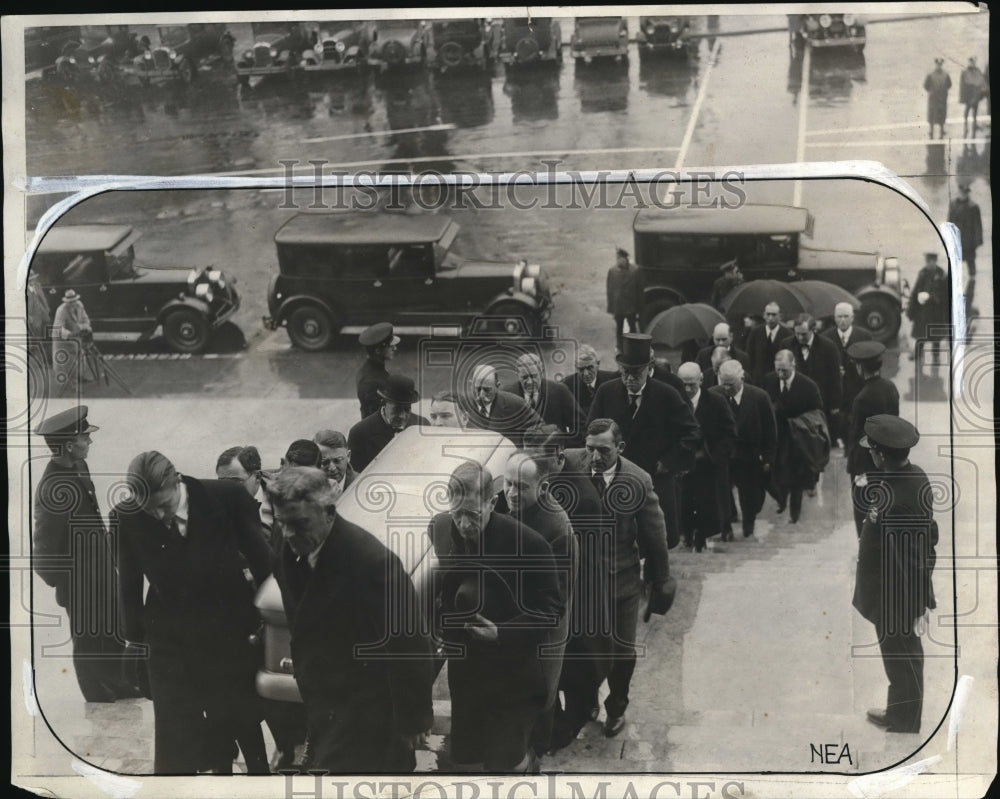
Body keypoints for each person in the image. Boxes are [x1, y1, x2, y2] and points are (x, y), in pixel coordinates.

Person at [112, 451, 272, 774]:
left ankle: (256, 782)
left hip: (228, 629)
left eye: (163, 504)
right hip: (169, 639)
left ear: (177, 481)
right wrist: (133, 643)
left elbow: (264, 563)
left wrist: (273, 623)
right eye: (149, 509)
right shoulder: (126, 516)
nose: (157, 516)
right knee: (174, 735)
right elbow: (128, 586)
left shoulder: (226, 498)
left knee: (237, 719)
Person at [266, 466, 434, 772]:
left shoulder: (372, 563)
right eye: (282, 523)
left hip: (370, 709)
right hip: (323, 701)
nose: (289, 533)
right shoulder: (288, 548)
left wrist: (414, 719)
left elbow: (409, 643)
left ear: (329, 512)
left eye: (299, 523)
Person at [430, 462, 564, 772]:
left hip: (512, 675)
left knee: (506, 763)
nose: (464, 525)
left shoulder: (529, 545)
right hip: (466, 677)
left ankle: (528, 765)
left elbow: (552, 609)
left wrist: (502, 632)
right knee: (467, 758)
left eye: (474, 515)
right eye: (457, 514)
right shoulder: (439, 529)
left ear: (493, 502)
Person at [562, 419, 673, 738]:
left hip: (620, 582)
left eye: (603, 450)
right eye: (590, 448)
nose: (594, 457)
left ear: (620, 448)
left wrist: (661, 580)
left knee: (622, 652)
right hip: (581, 581)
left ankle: (617, 706)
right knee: (583, 646)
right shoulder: (570, 462)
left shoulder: (638, 480)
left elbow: (655, 535)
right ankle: (585, 702)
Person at [33, 406, 139, 703]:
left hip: (100, 570)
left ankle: (119, 682)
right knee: (88, 636)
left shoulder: (78, 466)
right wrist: (65, 584)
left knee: (112, 628)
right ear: (68, 445)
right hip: (79, 580)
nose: (89, 442)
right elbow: (43, 548)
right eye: (84, 438)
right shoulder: (53, 488)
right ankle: (95, 690)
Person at [215, 443, 304, 770]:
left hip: (276, 616)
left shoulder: (277, 504)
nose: (227, 488)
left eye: (235, 481)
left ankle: (288, 747)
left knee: (277, 693)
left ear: (256, 477)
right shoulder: (220, 510)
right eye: (222, 480)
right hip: (242, 621)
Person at [852, 415, 937, 734]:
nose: (871, 454)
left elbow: (906, 555)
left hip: (896, 593)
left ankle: (905, 721)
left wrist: (914, 603)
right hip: (895, 590)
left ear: (881, 454)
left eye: (873, 450)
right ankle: (898, 710)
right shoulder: (912, 477)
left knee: (903, 656)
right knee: (898, 655)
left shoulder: (894, 497)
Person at [587, 334, 701, 550]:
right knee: (617, 538)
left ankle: (655, 579)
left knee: (656, 540)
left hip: (655, 481)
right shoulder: (606, 392)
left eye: (636, 373)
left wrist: (668, 462)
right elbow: (591, 428)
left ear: (648, 368)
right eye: (625, 372)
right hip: (615, 479)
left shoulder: (666, 394)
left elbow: (692, 432)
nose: (629, 379)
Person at [500, 452, 578, 759]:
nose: (511, 493)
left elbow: (554, 598)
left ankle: (538, 753)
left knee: (540, 692)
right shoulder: (511, 505)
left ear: (542, 488)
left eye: (521, 487)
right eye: (507, 483)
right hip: (516, 619)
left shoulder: (556, 528)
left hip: (544, 627)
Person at [712, 360, 777, 540]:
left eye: (730, 385)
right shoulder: (713, 395)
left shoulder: (759, 397)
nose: (726, 388)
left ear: (741, 378)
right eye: (723, 383)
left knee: (750, 495)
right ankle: (725, 528)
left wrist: (768, 458)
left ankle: (749, 525)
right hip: (722, 455)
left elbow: (770, 431)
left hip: (749, 455)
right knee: (722, 493)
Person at [676, 363, 736, 550]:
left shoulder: (716, 401)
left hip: (709, 464)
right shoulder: (675, 400)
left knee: (708, 503)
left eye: (692, 384)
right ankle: (686, 533)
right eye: (683, 384)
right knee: (684, 501)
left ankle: (703, 536)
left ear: (701, 380)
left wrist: (715, 456)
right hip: (684, 464)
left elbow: (730, 433)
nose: (687, 389)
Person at [764, 350, 826, 524]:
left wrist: (801, 422)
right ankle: (781, 498)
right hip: (777, 436)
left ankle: (794, 513)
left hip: (799, 438)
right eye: (778, 370)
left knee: (797, 477)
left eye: (784, 370)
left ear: (793, 365)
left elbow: (817, 412)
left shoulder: (808, 385)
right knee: (776, 473)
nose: (780, 374)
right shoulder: (769, 381)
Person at [844, 342, 900, 537]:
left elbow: (858, 437)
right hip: (889, 461)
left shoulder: (862, 398)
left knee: (864, 514)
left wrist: (856, 470)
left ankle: (867, 555)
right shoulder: (890, 388)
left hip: (866, 466)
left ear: (860, 367)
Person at [348, 374, 428, 473]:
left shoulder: (422, 425)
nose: (402, 416)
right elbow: (355, 476)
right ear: (383, 403)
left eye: (407, 410)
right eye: (397, 410)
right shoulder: (359, 433)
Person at [821, 302, 872, 448]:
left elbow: (870, 364)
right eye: (839, 317)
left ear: (852, 318)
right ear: (834, 318)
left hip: (856, 388)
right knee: (835, 425)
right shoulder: (825, 337)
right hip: (834, 392)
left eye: (846, 316)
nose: (842, 320)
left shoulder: (864, 336)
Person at [507, 352, 584, 443]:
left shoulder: (559, 391)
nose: (530, 382)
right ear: (517, 373)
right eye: (524, 377)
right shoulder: (507, 394)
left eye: (534, 376)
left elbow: (581, 425)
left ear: (541, 371)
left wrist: (561, 444)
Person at [462, 364, 542, 446]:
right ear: (470, 385)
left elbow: (540, 429)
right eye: (477, 389)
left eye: (487, 390)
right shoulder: (461, 405)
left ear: (497, 386)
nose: (481, 395)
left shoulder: (516, 404)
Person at [791, 313, 842, 428]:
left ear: (813, 330)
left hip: (820, 401)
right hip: (795, 401)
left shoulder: (829, 347)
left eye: (803, 334)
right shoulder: (787, 344)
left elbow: (835, 378)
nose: (799, 338)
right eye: (796, 333)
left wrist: (835, 405)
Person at [906, 253, 950, 369]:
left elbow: (946, 295)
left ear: (935, 261)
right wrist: (912, 307)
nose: (929, 264)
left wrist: (931, 297)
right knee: (920, 335)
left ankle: (936, 356)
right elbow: (915, 290)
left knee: (936, 336)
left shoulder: (942, 275)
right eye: (927, 261)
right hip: (923, 311)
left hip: (937, 312)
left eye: (931, 261)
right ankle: (917, 354)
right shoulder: (922, 273)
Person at [51, 289, 97, 391]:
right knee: (69, 361)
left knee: (80, 356)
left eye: (74, 301)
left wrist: (85, 328)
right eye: (70, 302)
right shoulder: (61, 310)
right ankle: (73, 385)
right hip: (61, 338)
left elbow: (85, 319)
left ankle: (81, 377)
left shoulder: (79, 305)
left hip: (74, 335)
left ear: (77, 299)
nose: (72, 303)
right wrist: (70, 335)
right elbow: (58, 328)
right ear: (66, 302)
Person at [355, 322, 400, 419]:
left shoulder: (373, 370)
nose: (395, 348)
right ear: (378, 351)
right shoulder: (370, 382)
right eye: (390, 346)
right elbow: (376, 417)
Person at [561, 344, 617, 418]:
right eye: (581, 369)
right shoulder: (566, 385)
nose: (586, 374)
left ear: (598, 364)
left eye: (590, 368)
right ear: (576, 367)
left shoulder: (612, 380)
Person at [746, 302, 793, 385]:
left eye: (774, 315)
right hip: (758, 381)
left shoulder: (787, 334)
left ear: (780, 316)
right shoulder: (755, 332)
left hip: (779, 380)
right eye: (768, 314)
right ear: (764, 315)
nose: (770, 318)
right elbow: (750, 357)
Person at [606, 247, 642, 350]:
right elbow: (610, 290)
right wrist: (611, 308)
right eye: (617, 258)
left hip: (631, 305)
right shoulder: (612, 271)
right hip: (618, 306)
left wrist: (640, 308)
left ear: (625, 259)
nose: (618, 260)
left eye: (620, 258)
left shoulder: (635, 271)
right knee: (619, 328)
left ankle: (634, 345)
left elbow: (639, 290)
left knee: (633, 327)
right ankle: (620, 347)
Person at [948, 181, 983, 277]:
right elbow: (949, 221)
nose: (963, 194)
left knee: (971, 264)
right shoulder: (952, 204)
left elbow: (978, 226)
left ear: (968, 193)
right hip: (956, 240)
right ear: (958, 191)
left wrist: (978, 242)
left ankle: (972, 282)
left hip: (969, 242)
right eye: (962, 191)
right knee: (955, 264)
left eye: (965, 192)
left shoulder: (974, 207)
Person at [312, 429, 356, 500]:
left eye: (337, 460)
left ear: (348, 456)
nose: (332, 468)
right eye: (324, 462)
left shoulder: (363, 485)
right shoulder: (305, 490)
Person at [923, 57, 952, 139]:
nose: (939, 66)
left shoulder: (946, 75)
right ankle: (931, 130)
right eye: (937, 64)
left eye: (940, 64)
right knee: (932, 114)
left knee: (942, 114)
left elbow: (949, 84)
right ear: (935, 64)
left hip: (942, 98)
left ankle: (942, 129)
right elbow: (926, 85)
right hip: (934, 99)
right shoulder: (930, 75)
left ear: (941, 65)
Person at [959, 57, 987, 131]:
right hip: (969, 95)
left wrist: (983, 90)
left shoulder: (977, 71)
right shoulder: (965, 71)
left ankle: (974, 124)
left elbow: (981, 80)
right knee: (967, 110)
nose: (973, 64)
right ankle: (965, 125)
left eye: (974, 62)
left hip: (976, 94)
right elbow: (965, 83)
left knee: (975, 110)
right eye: (972, 62)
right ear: (969, 62)